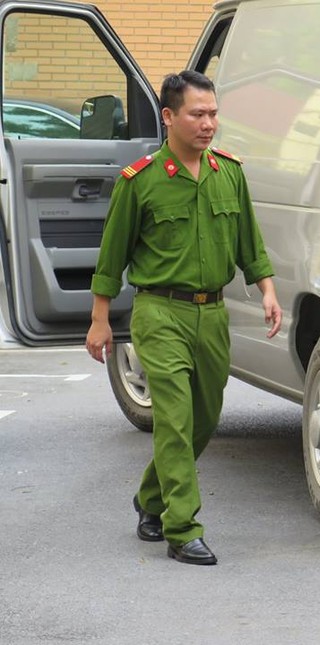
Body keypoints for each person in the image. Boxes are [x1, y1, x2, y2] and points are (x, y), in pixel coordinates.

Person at [86, 70, 282, 566]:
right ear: (170, 117)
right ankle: (182, 527)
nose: (209, 123)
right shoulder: (141, 181)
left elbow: (249, 243)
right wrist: (100, 318)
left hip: (211, 314)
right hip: (159, 311)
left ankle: (150, 499)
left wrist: (268, 291)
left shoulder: (229, 173)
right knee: (173, 419)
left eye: (214, 113)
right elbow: (112, 256)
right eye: (198, 114)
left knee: (203, 420)